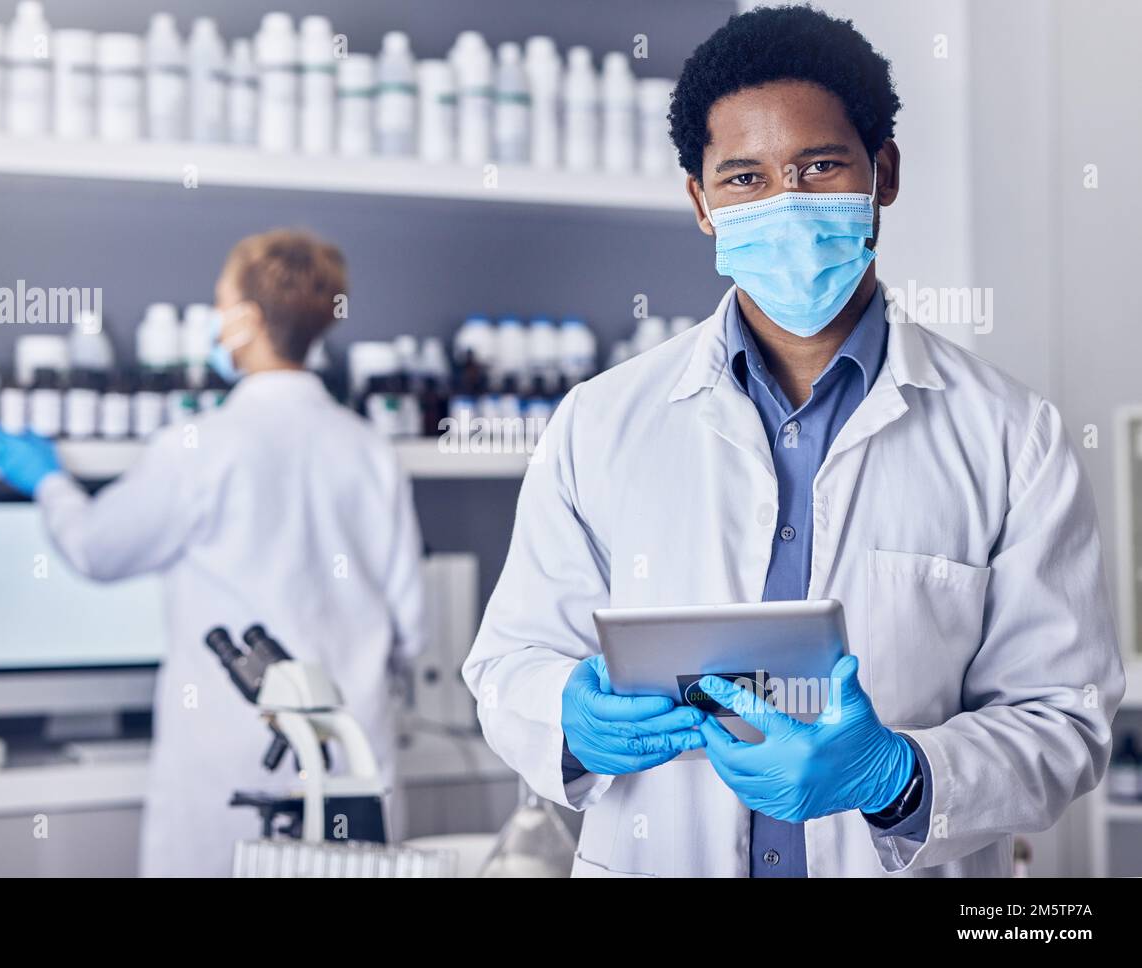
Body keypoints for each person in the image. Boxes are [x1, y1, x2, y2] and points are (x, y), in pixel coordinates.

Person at [462, 6, 1124, 877]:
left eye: (819, 165)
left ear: (882, 173)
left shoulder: (1012, 436)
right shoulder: (599, 420)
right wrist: (570, 720)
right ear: (702, 204)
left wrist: (899, 775)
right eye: (744, 179)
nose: (786, 202)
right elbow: (511, 661)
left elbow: (1064, 718)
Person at [0, 229, 426, 877]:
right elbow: (412, 631)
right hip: (354, 762)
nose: (216, 322)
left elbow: (97, 550)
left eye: (221, 305)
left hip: (233, 769)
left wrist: (48, 481)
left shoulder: (201, 446)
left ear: (243, 318)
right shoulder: (371, 451)